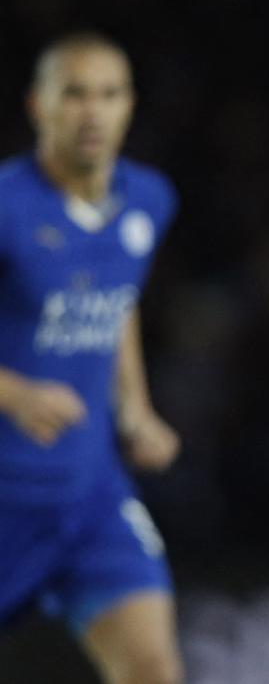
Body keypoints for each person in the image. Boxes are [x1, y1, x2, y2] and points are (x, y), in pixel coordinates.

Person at [0, 33, 183, 684]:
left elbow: (117, 301)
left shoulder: (148, 200)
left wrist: (134, 409)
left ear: (129, 105)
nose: (92, 112)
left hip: (89, 495)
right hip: (5, 494)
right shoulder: (7, 206)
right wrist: (15, 393)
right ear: (38, 106)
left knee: (153, 671)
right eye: (73, 94)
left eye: (108, 94)